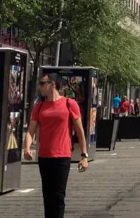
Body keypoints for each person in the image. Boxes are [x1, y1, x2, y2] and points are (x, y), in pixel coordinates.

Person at [25, 72, 90, 218]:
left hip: (62, 156)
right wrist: (27, 148)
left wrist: (84, 156)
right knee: (47, 196)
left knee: (58, 196)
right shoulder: (39, 107)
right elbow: (30, 131)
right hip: (44, 156)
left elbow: (80, 131)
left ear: (53, 84)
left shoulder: (69, 103)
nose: (40, 86)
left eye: (43, 83)